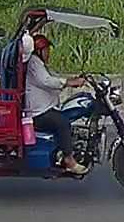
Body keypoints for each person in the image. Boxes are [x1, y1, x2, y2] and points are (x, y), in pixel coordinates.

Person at [25, 34, 88, 175]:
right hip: (39, 112)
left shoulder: (40, 64)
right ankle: (69, 160)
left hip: (46, 108)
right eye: (46, 50)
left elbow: (54, 77)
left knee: (65, 116)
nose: (48, 53)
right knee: (62, 122)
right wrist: (68, 82)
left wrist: (71, 80)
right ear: (39, 51)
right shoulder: (34, 63)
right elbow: (46, 81)